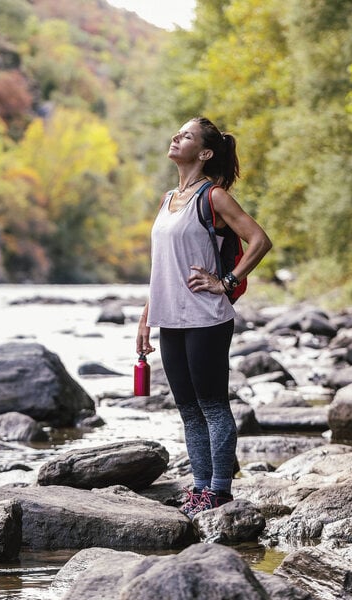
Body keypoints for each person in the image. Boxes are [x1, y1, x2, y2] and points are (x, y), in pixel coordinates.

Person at [136, 117, 272, 518]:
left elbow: (260, 240)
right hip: (169, 319)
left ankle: (220, 491)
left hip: (206, 317)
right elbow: (162, 266)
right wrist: (146, 318)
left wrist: (226, 281)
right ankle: (199, 488)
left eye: (187, 136)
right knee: (188, 409)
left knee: (213, 406)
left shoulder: (214, 197)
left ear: (205, 152)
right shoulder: (167, 199)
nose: (176, 137)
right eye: (178, 133)